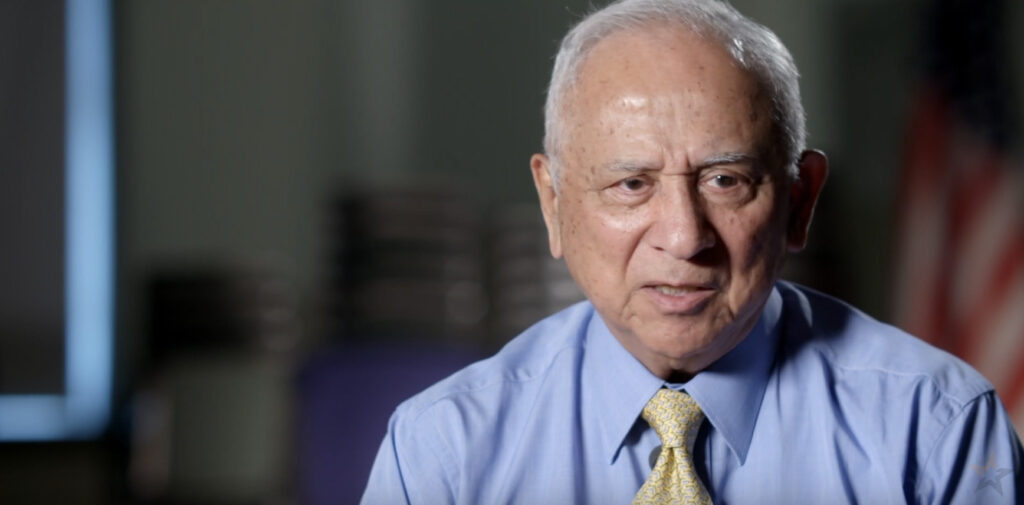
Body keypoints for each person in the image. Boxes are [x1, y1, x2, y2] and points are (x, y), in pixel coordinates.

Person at [361, 0, 1024, 503]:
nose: (683, 237)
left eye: (725, 180)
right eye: (631, 184)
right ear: (553, 203)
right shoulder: (443, 454)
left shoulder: (935, 431)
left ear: (799, 202)